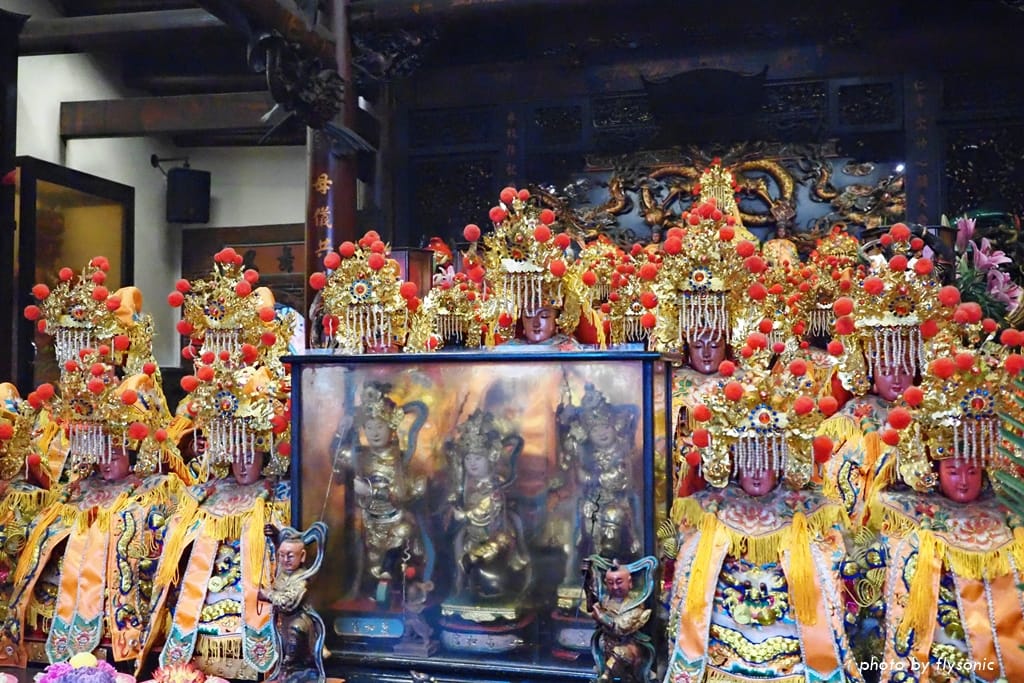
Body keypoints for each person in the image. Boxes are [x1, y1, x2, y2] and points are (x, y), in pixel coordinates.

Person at [664, 361, 864, 682]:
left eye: (766, 462)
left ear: (782, 462)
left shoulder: (810, 513)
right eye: (749, 461)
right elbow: (690, 582)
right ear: (734, 461)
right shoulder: (710, 510)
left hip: (792, 646)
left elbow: (829, 578)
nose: (756, 474)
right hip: (722, 645)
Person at [855, 329, 1024, 681]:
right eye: (952, 470)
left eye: (972, 471)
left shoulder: (1011, 519)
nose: (963, 480)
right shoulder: (906, 517)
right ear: (935, 470)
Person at [0, 369, 186, 667]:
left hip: (116, 591)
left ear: (132, 453)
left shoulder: (152, 489)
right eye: (101, 453)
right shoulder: (78, 488)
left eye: (115, 455)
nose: (106, 463)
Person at [137, 363, 291, 678]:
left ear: (264, 456)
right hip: (203, 593)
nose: (243, 465)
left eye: (251, 456)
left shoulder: (280, 495)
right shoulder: (205, 493)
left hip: (253, 596)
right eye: (237, 456)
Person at [330, 382, 428, 604]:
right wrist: (339, 433)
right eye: (370, 427)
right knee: (367, 563)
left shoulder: (399, 460)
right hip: (369, 523)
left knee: (402, 542)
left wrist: (372, 491)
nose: (374, 433)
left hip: (396, 522)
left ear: (391, 428)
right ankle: (367, 587)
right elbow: (337, 461)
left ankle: (402, 588)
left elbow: (403, 494)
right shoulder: (360, 456)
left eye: (380, 427)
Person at [261, 523, 328, 683]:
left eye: (290, 556)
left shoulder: (302, 578)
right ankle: (285, 667)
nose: (285, 560)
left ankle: (288, 666)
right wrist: (274, 537)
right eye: (282, 555)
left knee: (295, 631)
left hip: (300, 619)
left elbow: (288, 602)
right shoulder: (283, 573)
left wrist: (267, 594)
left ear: (302, 556)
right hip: (282, 620)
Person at [585, 556, 657, 683]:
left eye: (619, 582)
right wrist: (587, 582)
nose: (615, 587)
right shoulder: (605, 601)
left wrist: (601, 617)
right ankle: (606, 674)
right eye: (610, 583)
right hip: (607, 645)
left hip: (629, 648)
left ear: (629, 583)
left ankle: (606, 675)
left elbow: (620, 628)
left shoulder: (634, 605)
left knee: (620, 654)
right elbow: (592, 609)